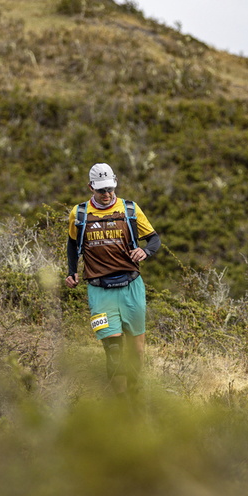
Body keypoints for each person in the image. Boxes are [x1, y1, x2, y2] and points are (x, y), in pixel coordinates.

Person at [65, 163, 161, 396]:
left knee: (136, 352)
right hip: (99, 291)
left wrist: (145, 252)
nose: (107, 194)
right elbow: (71, 244)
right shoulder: (79, 214)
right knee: (114, 350)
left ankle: (136, 396)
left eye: (110, 188)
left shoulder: (130, 209)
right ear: (90, 187)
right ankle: (121, 404)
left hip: (131, 287)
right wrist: (71, 271)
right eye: (101, 190)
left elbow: (154, 239)